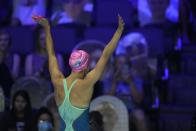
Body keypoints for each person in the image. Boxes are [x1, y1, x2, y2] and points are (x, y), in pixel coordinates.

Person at [32, 14, 124, 131]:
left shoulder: (58, 80)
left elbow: (51, 54)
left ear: (70, 65)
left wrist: (47, 28)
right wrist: (119, 31)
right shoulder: (87, 83)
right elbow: (105, 54)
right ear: (86, 68)